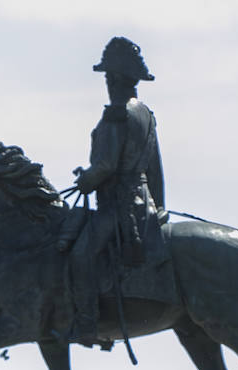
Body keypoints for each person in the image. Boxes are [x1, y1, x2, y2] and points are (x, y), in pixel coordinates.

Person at [61, 36, 167, 342]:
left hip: (119, 205)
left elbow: (107, 165)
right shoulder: (145, 113)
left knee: (80, 254)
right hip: (143, 203)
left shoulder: (117, 113)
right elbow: (155, 169)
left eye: (108, 76)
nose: (107, 82)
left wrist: (86, 179)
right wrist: (159, 207)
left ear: (118, 78)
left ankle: (87, 323)